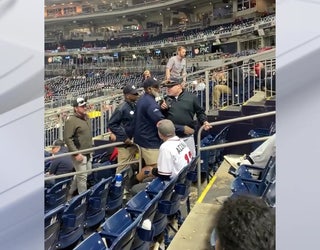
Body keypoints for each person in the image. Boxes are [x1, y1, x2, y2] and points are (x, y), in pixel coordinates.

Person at [131, 119, 192, 194]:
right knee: (146, 179)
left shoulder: (166, 147)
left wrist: (151, 171)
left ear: (160, 134)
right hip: (184, 181)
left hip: (172, 185)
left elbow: (164, 175)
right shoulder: (181, 141)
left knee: (135, 188)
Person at [160, 77, 212, 157]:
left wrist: (204, 121)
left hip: (187, 137)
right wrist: (162, 108)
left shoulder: (191, 97)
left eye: (171, 87)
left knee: (190, 161)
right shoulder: (165, 99)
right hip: (171, 138)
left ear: (179, 86)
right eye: (167, 87)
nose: (168, 89)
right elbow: (162, 119)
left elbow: (200, 112)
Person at [63, 96, 93, 195]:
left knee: (86, 173)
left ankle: (70, 192)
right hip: (79, 153)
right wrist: (76, 153)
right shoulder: (71, 120)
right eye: (82, 106)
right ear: (76, 108)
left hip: (88, 151)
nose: (85, 107)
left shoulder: (86, 117)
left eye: (85, 106)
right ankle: (82, 199)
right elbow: (68, 138)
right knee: (82, 178)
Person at [132, 77, 164, 167]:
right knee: (154, 169)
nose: (159, 89)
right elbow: (161, 122)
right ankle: (136, 179)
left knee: (145, 167)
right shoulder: (150, 103)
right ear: (149, 89)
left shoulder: (143, 99)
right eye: (156, 87)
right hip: (149, 142)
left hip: (142, 139)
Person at [108, 84, 140, 173]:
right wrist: (124, 137)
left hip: (132, 143)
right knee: (122, 168)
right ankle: (118, 186)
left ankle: (127, 185)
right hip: (124, 144)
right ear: (127, 95)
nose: (136, 95)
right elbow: (112, 124)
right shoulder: (121, 108)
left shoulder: (134, 105)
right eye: (134, 94)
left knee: (132, 167)